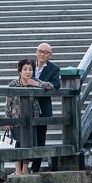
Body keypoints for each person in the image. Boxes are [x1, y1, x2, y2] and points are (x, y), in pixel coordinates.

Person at [5, 58, 54, 175]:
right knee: (17, 143)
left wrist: (35, 84)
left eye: (30, 69)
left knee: (29, 142)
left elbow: (50, 86)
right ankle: (17, 170)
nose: (28, 72)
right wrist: (8, 119)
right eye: (25, 69)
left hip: (32, 118)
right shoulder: (13, 84)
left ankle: (25, 169)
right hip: (16, 117)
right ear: (20, 71)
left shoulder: (35, 81)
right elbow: (8, 102)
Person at [32, 43, 61, 172]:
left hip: (43, 107)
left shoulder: (54, 68)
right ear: (36, 52)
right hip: (27, 106)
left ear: (50, 55)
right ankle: (22, 167)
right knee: (24, 137)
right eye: (40, 51)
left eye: (45, 52)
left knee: (40, 137)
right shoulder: (28, 65)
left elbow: (56, 84)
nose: (42, 54)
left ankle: (35, 168)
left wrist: (38, 84)